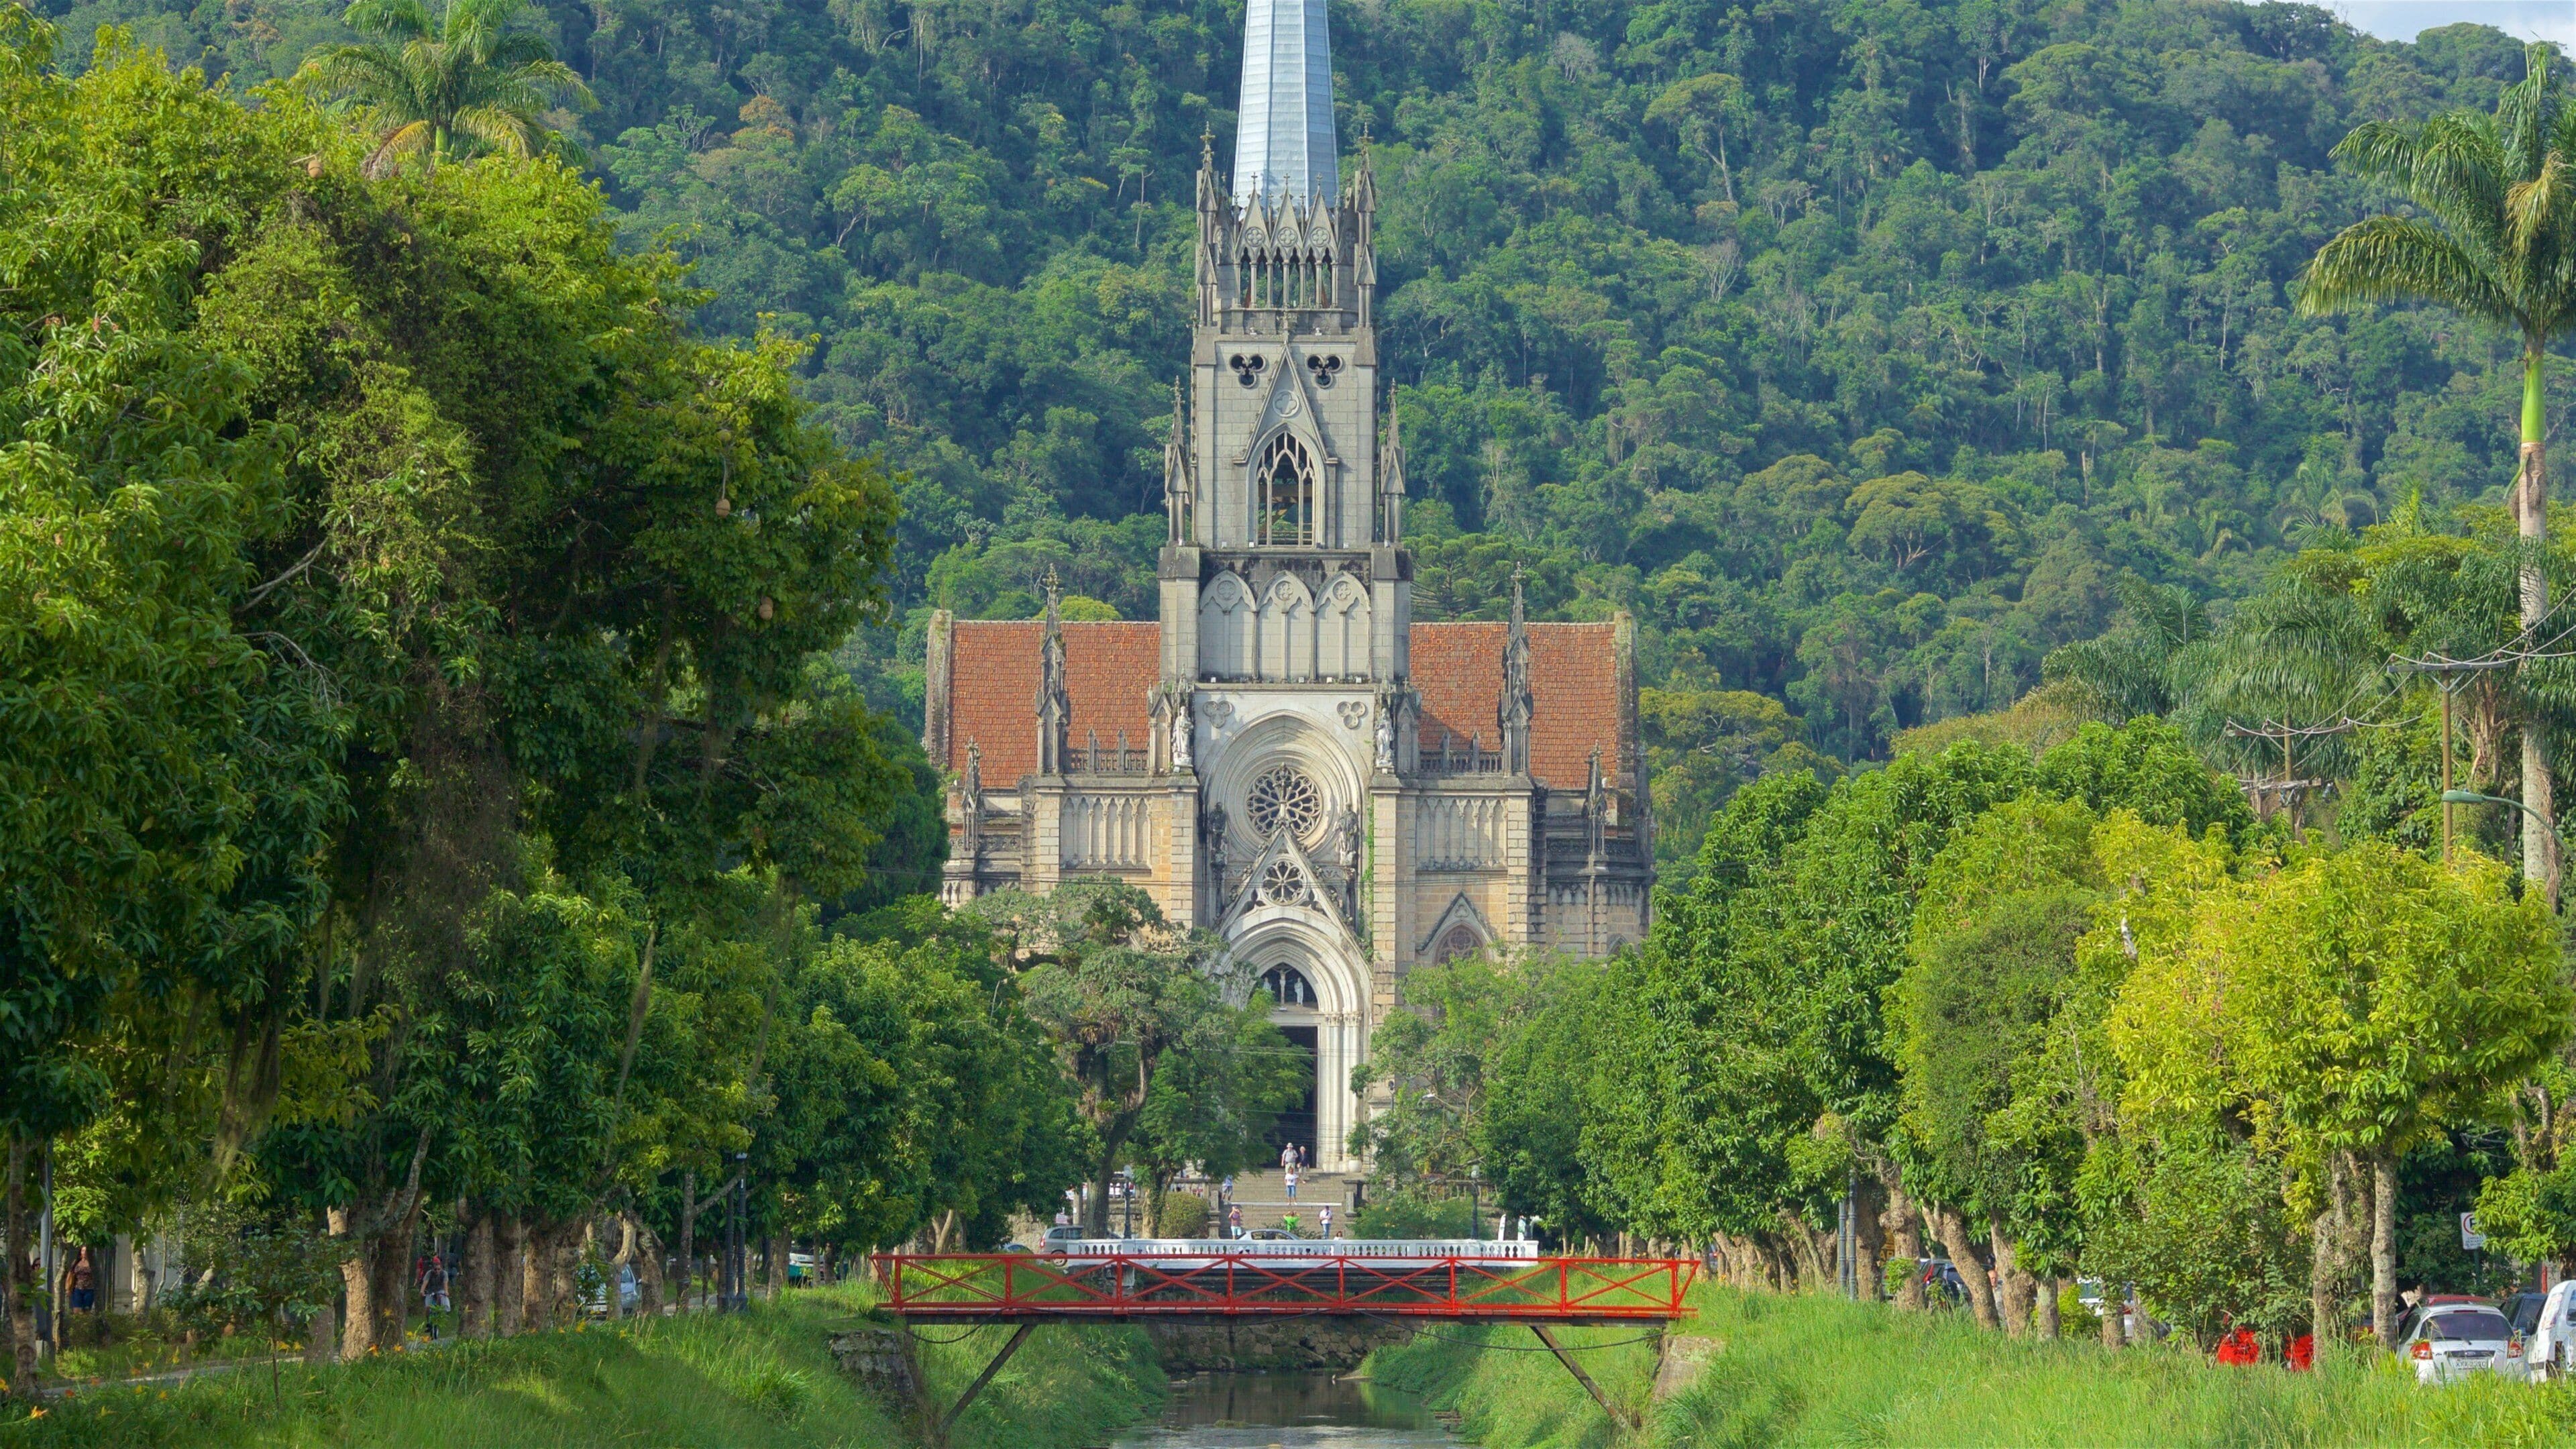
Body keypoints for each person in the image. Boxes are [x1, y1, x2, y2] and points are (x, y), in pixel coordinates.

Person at [67, 1248, 96, 1313]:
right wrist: (68, 1288)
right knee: (77, 1310)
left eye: (86, 1251)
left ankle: (85, 1322)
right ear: (80, 1252)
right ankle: (77, 1323)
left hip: (89, 1289)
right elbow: (71, 1274)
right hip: (77, 1289)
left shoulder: (92, 1263)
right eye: (83, 1251)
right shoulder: (76, 1262)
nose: (85, 1252)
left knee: (86, 1310)